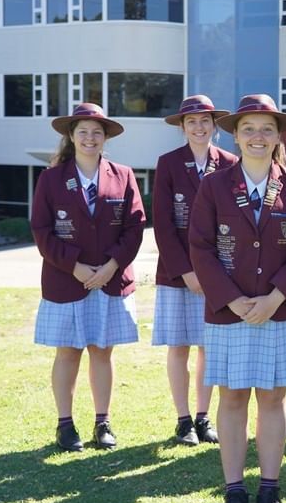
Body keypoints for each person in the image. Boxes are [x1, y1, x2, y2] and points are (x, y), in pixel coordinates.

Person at [188, 94, 286, 503]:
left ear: (279, 135)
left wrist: (275, 298)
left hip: (279, 310)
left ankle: (269, 488)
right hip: (230, 310)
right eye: (248, 129)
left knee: (274, 397)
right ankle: (233, 491)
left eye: (266, 129)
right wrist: (231, 298)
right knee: (232, 397)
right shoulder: (214, 186)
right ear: (235, 136)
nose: (257, 136)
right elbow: (201, 248)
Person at [31, 102, 145, 452]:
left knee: (102, 352)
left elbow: (135, 226)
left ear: (105, 137)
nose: (90, 138)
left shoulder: (123, 175)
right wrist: (75, 266)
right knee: (68, 353)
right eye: (83, 132)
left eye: (97, 132)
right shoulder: (51, 178)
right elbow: (42, 231)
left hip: (111, 280)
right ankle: (65, 425)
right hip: (67, 281)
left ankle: (102, 422)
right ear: (71, 135)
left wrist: (111, 266)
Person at [152, 95, 238, 446]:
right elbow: (162, 223)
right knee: (179, 346)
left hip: (218, 272)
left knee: (209, 346)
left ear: (215, 126)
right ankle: (183, 419)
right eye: (192, 122)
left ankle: (203, 417)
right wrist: (186, 270)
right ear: (182, 127)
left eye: (205, 121)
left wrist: (212, 273)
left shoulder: (231, 163)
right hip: (177, 273)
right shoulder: (169, 163)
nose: (199, 127)